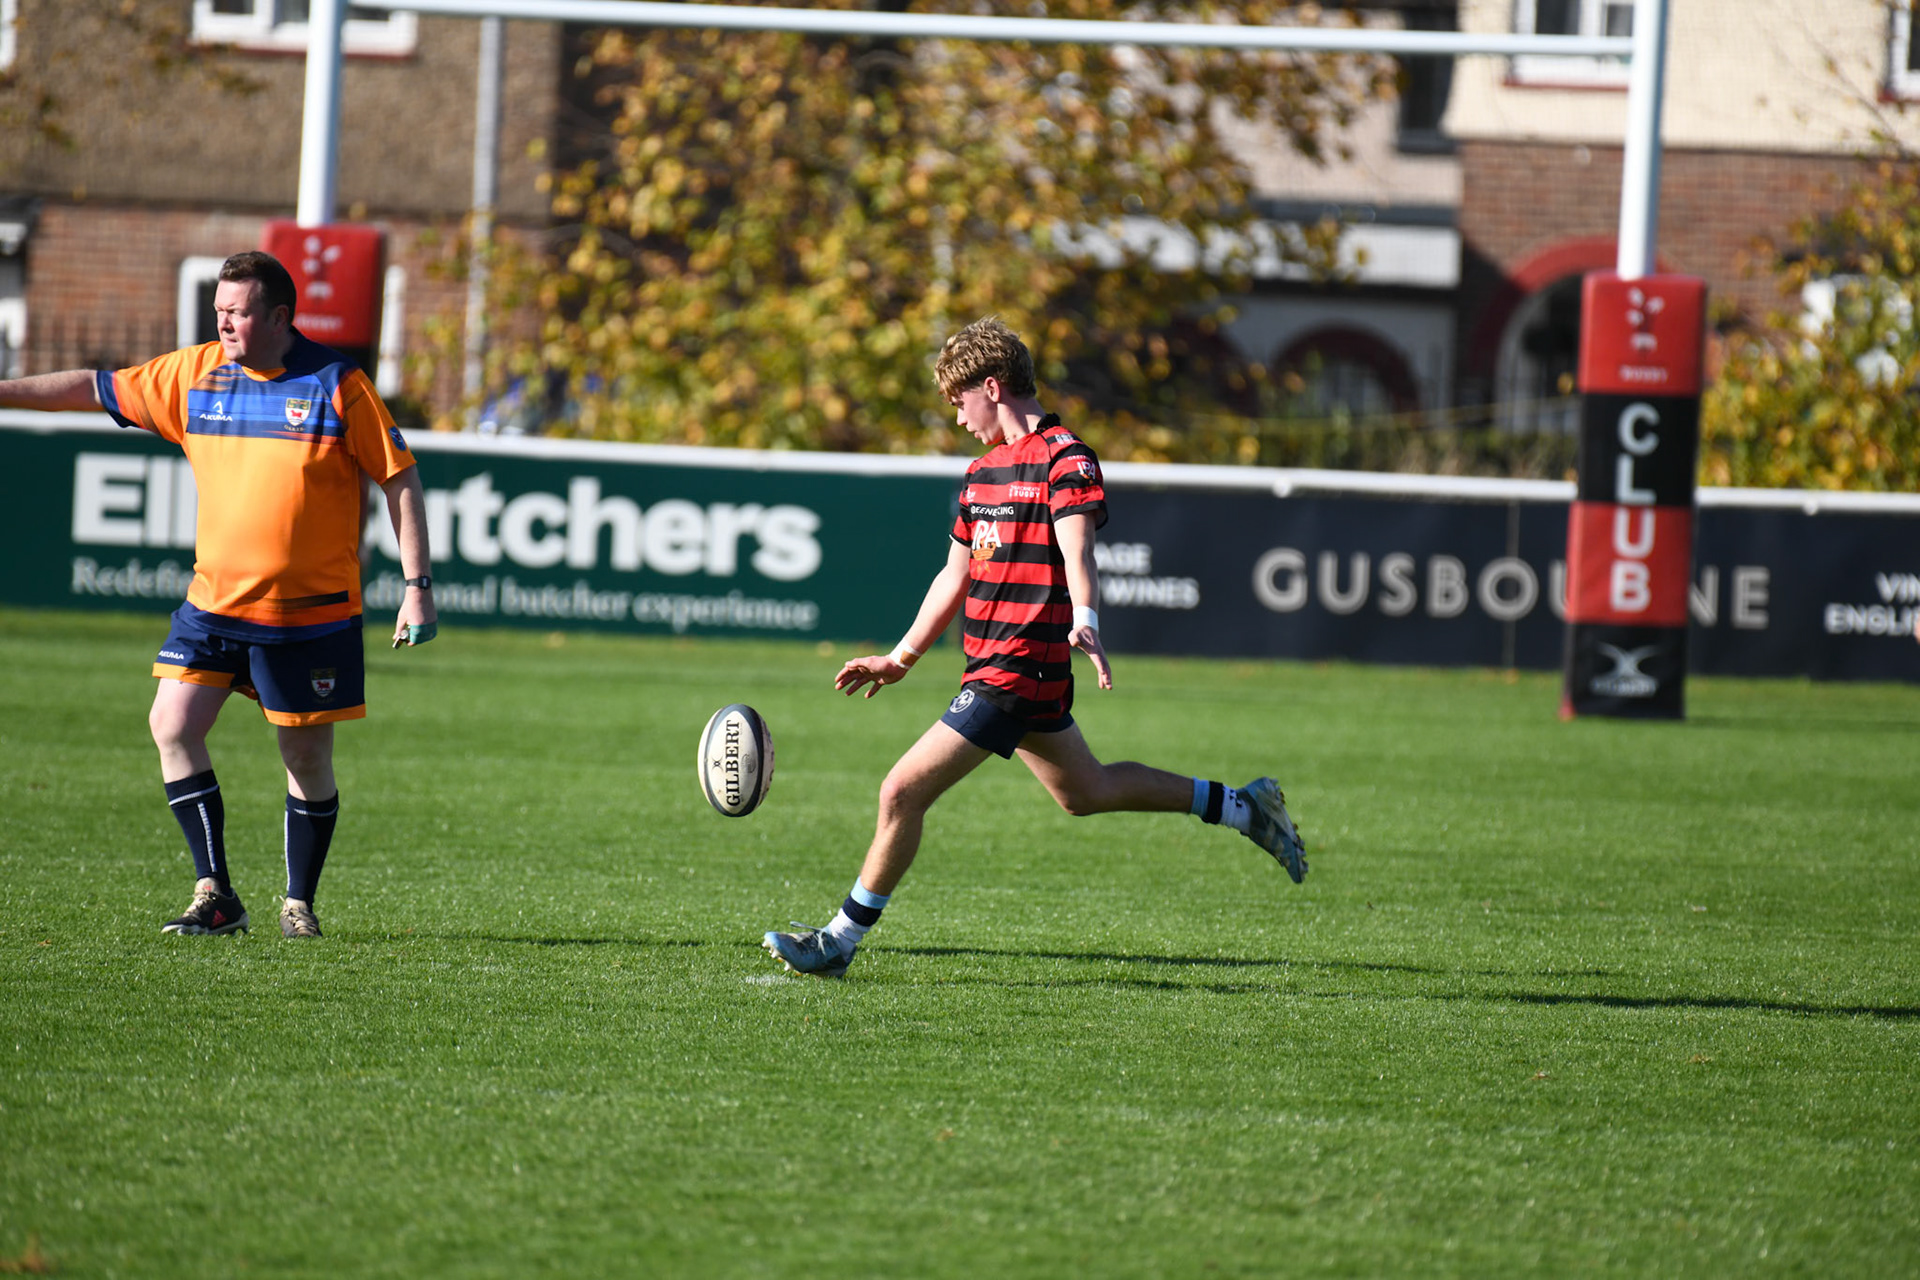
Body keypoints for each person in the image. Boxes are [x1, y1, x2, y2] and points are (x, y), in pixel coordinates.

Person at [763, 317, 1307, 978]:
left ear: (991, 387)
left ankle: (837, 942)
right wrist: (900, 657)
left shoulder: (1066, 456)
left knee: (901, 792)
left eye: (959, 400)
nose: (958, 416)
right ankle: (1244, 807)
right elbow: (953, 574)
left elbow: (1078, 545)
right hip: (1001, 667)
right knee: (1087, 790)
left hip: (1016, 668)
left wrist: (1085, 615)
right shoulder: (980, 473)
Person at [0, 250, 435, 939]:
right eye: (219, 312)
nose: (224, 323)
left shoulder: (336, 384)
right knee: (172, 725)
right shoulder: (193, 375)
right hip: (215, 605)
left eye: (237, 311)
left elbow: (399, 479)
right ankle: (216, 895)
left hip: (307, 615)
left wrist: (416, 588)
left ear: (280, 316)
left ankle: (299, 903)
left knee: (306, 759)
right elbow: (92, 387)